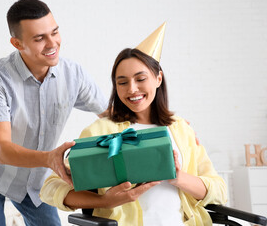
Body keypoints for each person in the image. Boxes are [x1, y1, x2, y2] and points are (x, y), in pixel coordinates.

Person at [40, 23, 227, 226]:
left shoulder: (181, 129)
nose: (132, 89)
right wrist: (105, 201)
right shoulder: (101, 131)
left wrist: (178, 177)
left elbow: (219, 191)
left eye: (140, 79)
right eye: (122, 82)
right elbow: (50, 188)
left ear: (158, 78)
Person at [0, 0, 108, 226]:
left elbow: (111, 113)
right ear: (17, 44)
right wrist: (50, 158)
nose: (52, 44)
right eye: (39, 38)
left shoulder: (73, 74)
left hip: (34, 177)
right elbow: (2, 150)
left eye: (55, 32)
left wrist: (163, 121)